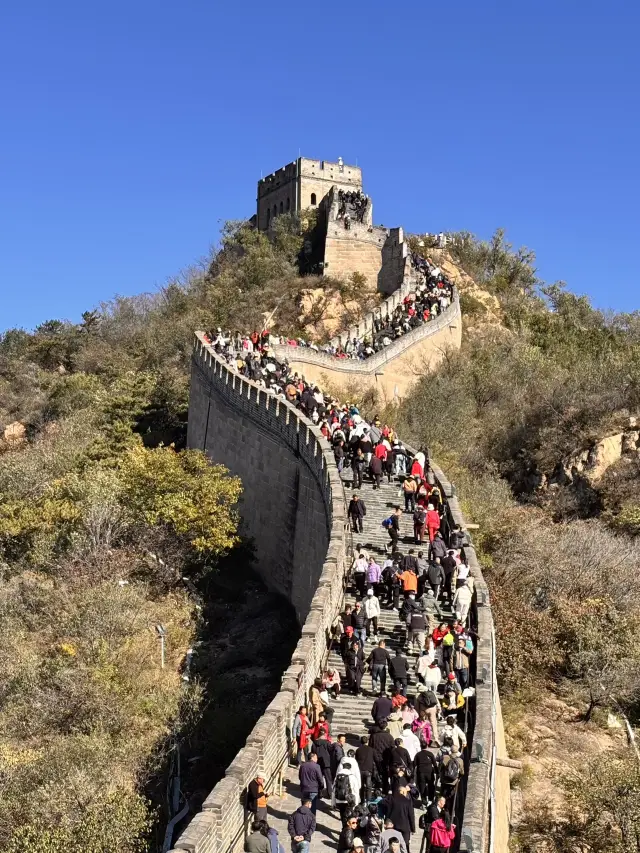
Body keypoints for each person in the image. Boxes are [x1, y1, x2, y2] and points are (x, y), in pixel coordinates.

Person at [382, 786, 415, 852]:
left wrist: (386, 822)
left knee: (393, 844)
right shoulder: (408, 801)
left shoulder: (392, 800)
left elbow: (387, 812)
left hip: (394, 826)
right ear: (402, 792)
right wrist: (413, 828)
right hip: (405, 827)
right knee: (405, 845)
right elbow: (411, 815)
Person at [332, 757, 361, 825]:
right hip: (349, 801)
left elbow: (333, 790)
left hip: (339, 800)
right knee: (349, 817)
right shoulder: (352, 777)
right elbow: (356, 791)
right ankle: (348, 829)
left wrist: (333, 803)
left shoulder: (337, 777)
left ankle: (343, 827)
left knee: (342, 816)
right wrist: (356, 803)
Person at [312, 730, 334, 796]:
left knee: (319, 778)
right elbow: (331, 751)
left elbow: (313, 753)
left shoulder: (314, 743)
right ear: (324, 735)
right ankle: (330, 793)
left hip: (318, 763)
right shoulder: (327, 743)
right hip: (326, 763)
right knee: (328, 780)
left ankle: (319, 793)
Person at [355, 735, 376, 802]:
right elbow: (376, 759)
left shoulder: (358, 750)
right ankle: (368, 800)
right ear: (367, 741)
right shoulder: (371, 750)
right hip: (368, 770)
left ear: (360, 742)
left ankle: (362, 800)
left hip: (360, 770)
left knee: (361, 786)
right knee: (368, 786)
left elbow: (356, 760)